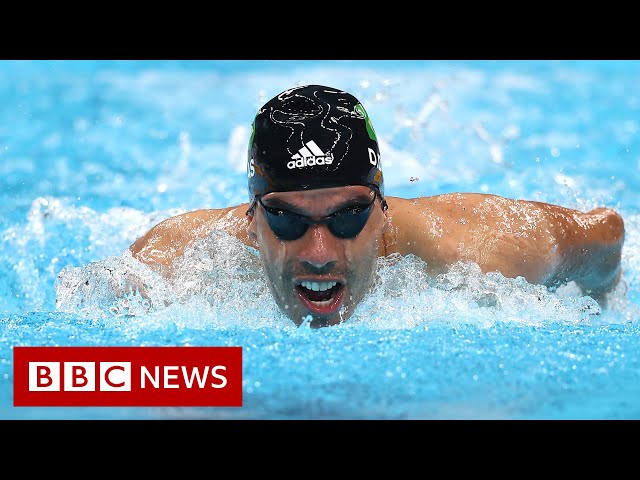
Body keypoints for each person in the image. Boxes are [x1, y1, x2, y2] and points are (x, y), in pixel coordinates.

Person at [129, 84, 625, 328]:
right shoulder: (175, 262)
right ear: (251, 216)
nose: (319, 253)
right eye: (287, 219)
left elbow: (604, 233)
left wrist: (598, 307)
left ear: (383, 209)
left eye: (348, 217)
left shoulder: (474, 253)